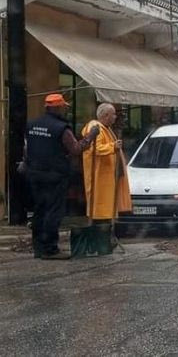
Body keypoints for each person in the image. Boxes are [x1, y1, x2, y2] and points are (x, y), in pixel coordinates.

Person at [22, 94, 99, 259]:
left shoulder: (31, 125)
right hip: (55, 176)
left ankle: (38, 248)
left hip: (35, 175)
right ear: (57, 107)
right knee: (53, 211)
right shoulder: (61, 128)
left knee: (39, 210)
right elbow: (76, 149)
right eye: (63, 106)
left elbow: (27, 150)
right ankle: (50, 249)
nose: (65, 109)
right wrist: (91, 136)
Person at [81, 103, 132, 221]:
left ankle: (107, 229)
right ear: (106, 115)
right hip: (99, 176)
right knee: (99, 207)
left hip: (107, 176)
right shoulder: (95, 127)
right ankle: (100, 229)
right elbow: (96, 148)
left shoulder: (106, 129)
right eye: (113, 114)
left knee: (107, 207)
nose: (115, 117)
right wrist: (113, 147)